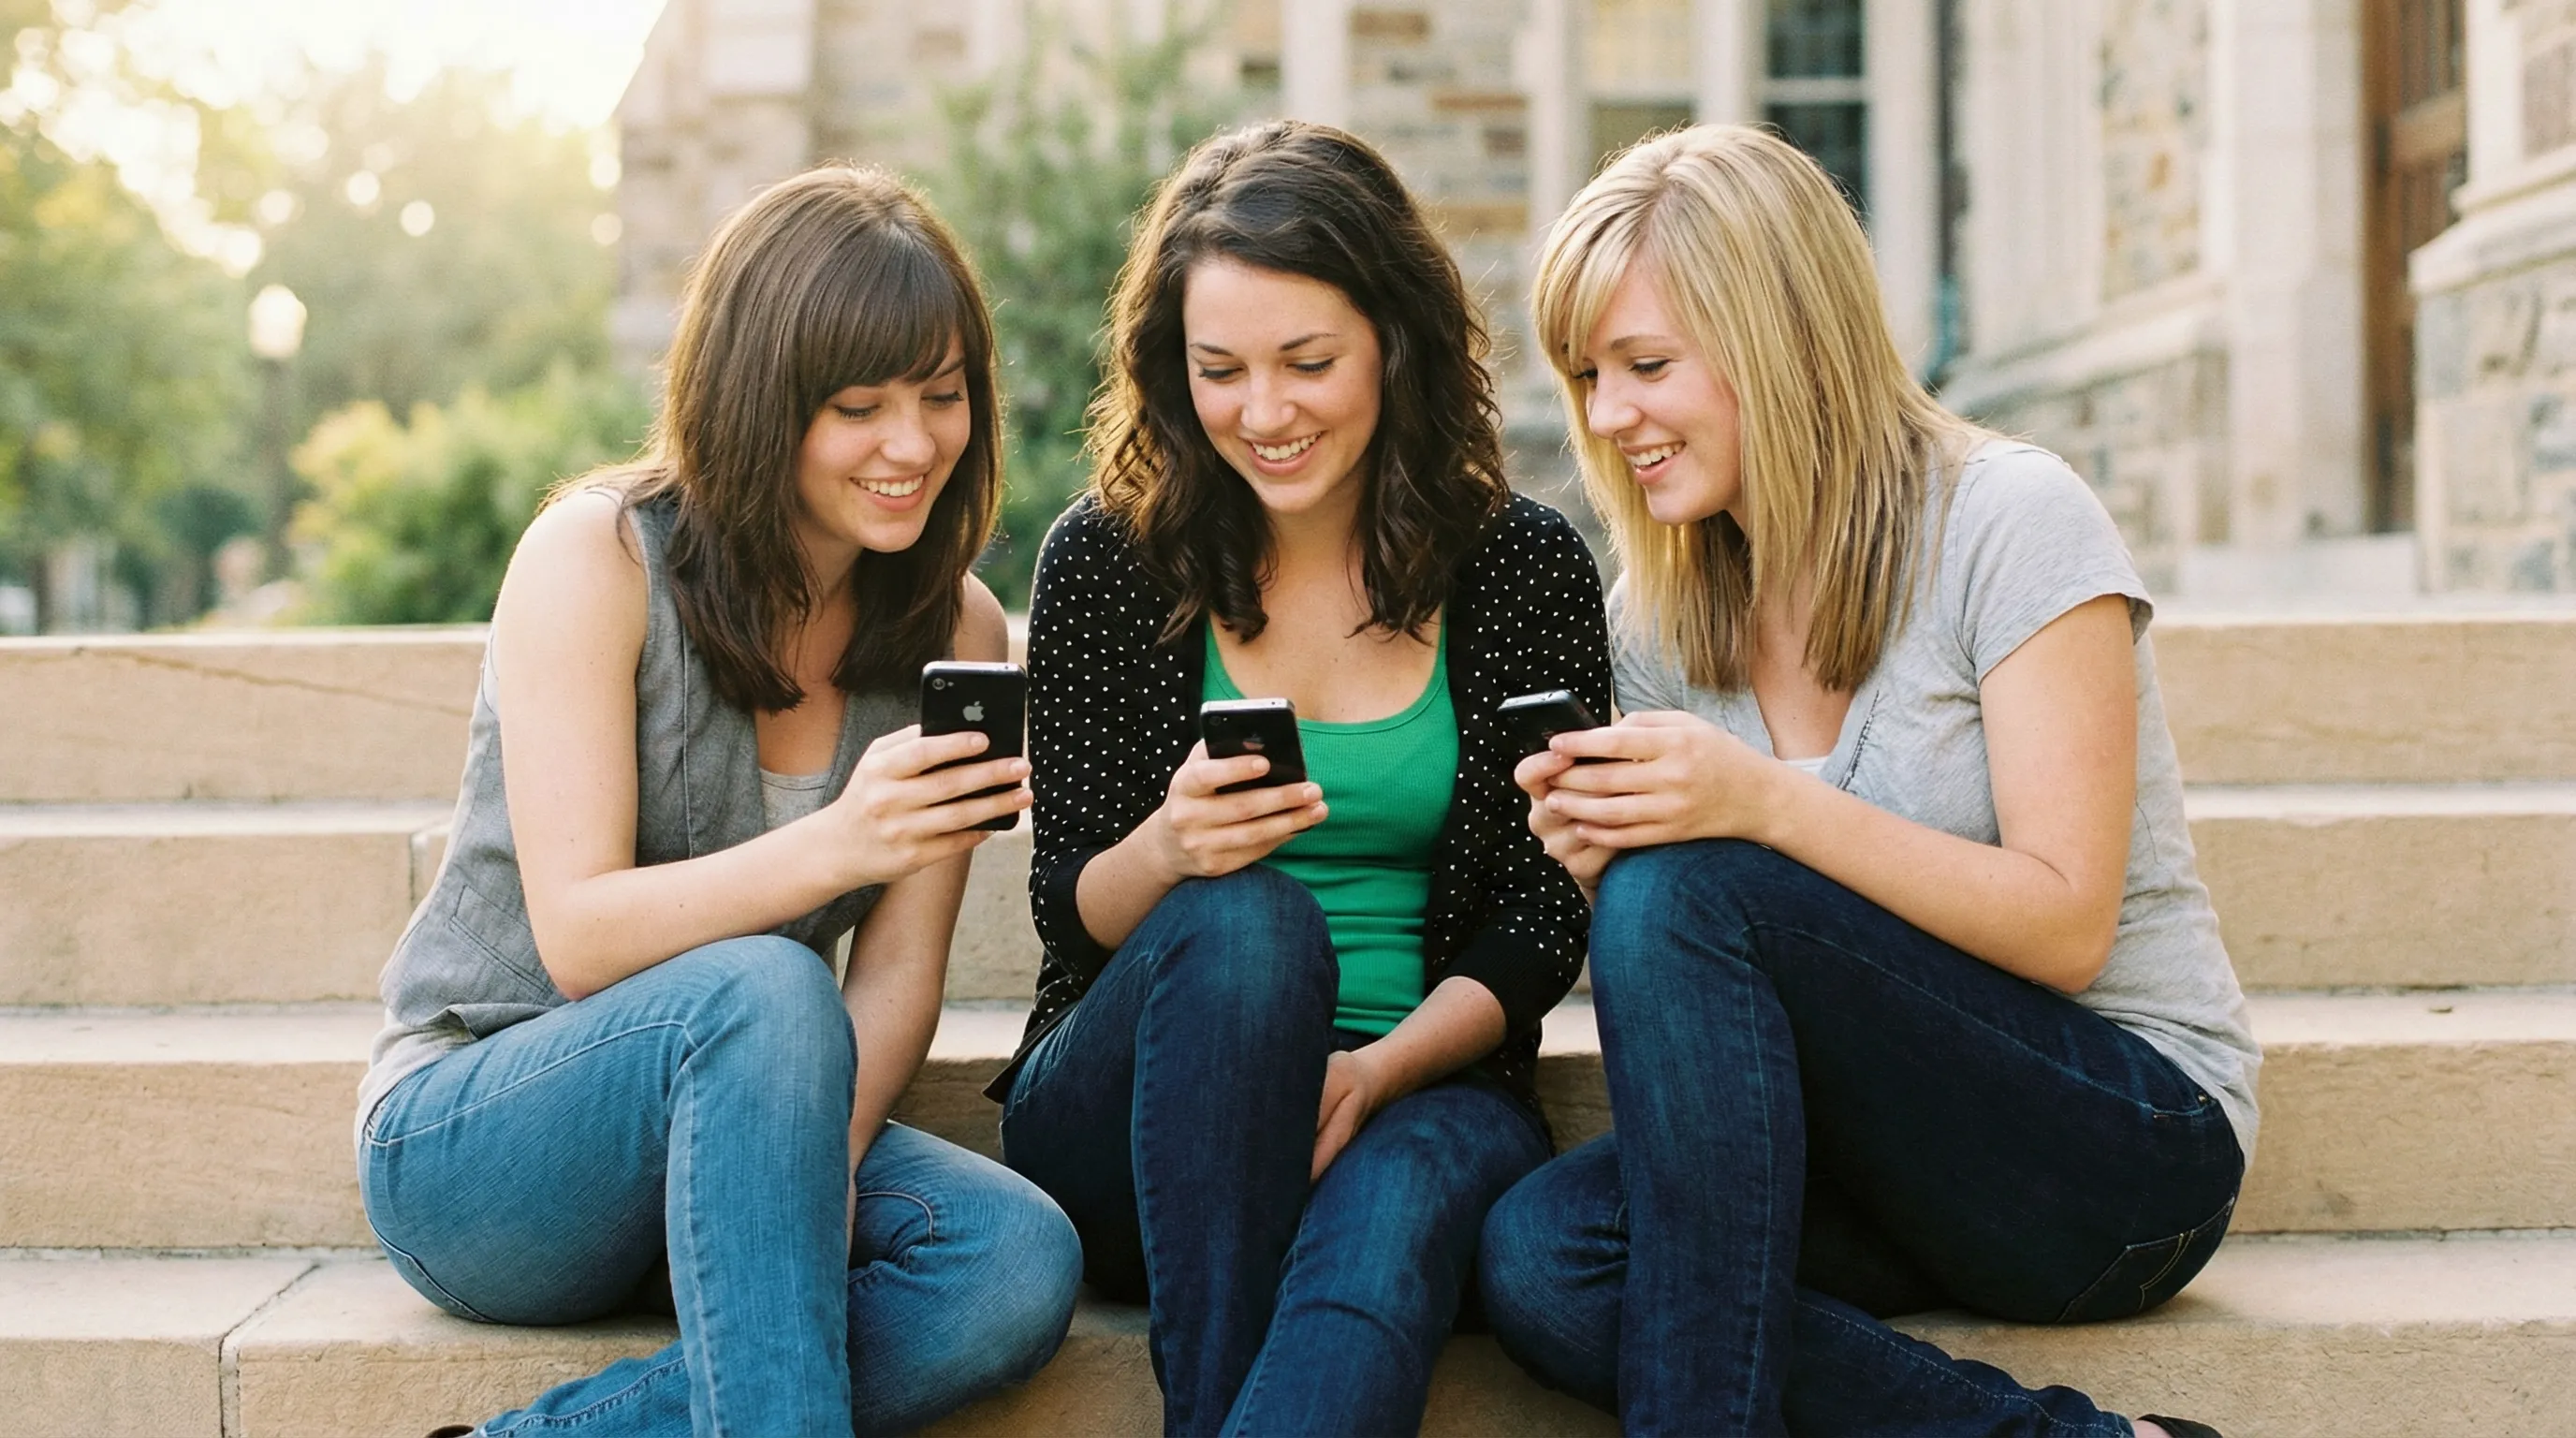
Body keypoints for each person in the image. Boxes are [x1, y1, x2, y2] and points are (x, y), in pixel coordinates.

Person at [1477, 125, 2259, 1438]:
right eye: (1587, 376)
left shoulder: (2010, 519)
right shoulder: (1660, 614)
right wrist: (1607, 854)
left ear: (1778, 337)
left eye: (1646, 365)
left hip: (2118, 1146)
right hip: (1870, 1159)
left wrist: (1758, 806)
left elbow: (2068, 926)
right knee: (1545, 1260)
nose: (1610, 418)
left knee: (1693, 892)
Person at [357, 165, 1083, 1438]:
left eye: (942, 395)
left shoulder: (957, 623)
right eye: (859, 406)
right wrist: (837, 842)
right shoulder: (597, 558)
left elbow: (898, 981)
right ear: (762, 402)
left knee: (1011, 1260)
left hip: (759, 1122)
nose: (911, 444)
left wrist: (800, 1184)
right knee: (760, 982)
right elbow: (579, 935)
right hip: (487, 1141)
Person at [988, 120, 1614, 1437]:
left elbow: (1546, 922)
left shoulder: (1523, 568)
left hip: (1428, 1087)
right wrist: (1168, 850)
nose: (1262, 414)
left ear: (1395, 338)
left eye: (1307, 362)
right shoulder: (1108, 561)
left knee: (1385, 1220)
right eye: (1220, 371)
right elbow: (1071, 910)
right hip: (1145, 1109)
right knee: (1246, 916)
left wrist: (1376, 1074)